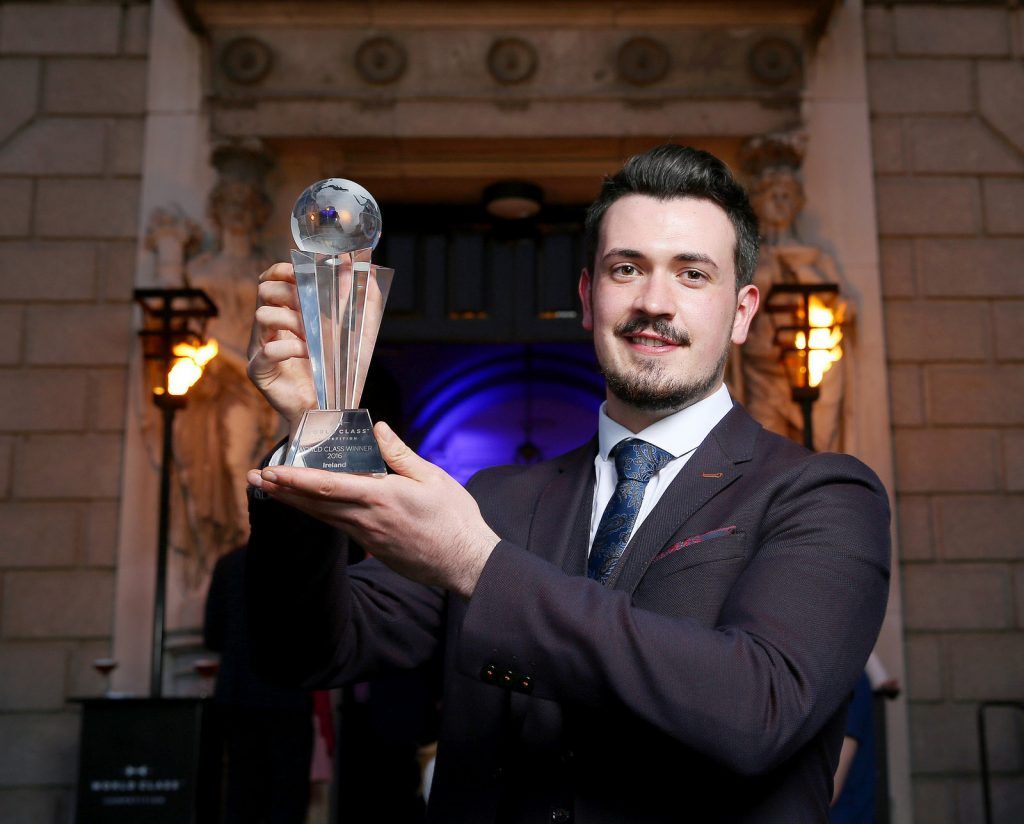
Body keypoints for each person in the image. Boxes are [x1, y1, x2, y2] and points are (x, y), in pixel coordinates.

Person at [243, 144, 891, 822]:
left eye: (693, 274)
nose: (653, 303)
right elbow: (304, 651)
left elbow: (759, 710)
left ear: (741, 311)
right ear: (587, 297)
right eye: (626, 268)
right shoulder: (494, 500)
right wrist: (318, 422)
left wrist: (475, 563)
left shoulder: (825, 495)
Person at [203, 545, 314, 824]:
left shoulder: (229, 563)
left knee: (242, 791)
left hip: (238, 693)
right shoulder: (301, 563)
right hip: (287, 694)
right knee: (287, 795)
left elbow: (212, 635)